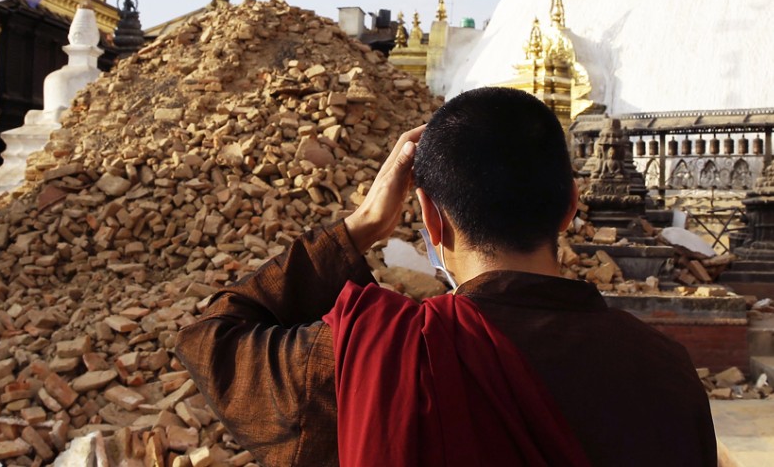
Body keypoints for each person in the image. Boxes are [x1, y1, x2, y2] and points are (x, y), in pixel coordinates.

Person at [175, 87, 716, 467]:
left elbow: (209, 339)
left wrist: (362, 225)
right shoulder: (665, 369)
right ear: (572, 206)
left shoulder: (377, 356)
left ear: (431, 218)